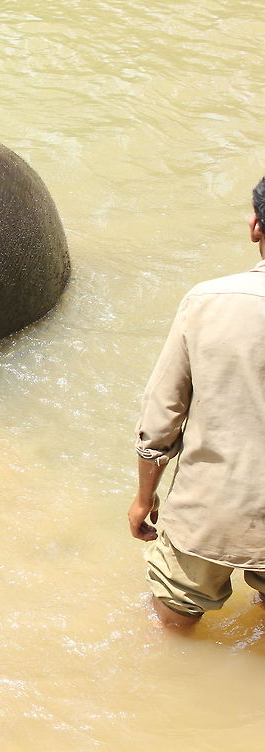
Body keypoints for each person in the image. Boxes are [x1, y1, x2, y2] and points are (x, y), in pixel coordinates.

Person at [129, 177, 265, 629]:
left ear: (255, 227)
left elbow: (162, 415)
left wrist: (144, 497)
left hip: (209, 512)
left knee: (170, 628)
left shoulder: (207, 301)